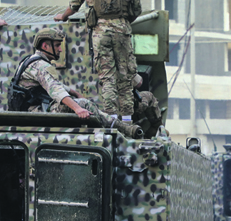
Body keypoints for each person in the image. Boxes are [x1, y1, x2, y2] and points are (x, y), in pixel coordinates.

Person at [54, 0, 142, 122]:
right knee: (125, 75)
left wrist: (62, 16)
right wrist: (122, 21)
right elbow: (136, 10)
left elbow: (74, 5)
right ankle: (127, 121)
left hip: (99, 35)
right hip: (122, 33)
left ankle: (111, 120)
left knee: (107, 76)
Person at [8, 28, 143, 138]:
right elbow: (56, 91)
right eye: (56, 45)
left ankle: (118, 128)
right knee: (84, 104)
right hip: (35, 113)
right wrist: (78, 108)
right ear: (45, 46)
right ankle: (122, 131)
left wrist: (74, 93)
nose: (60, 49)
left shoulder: (31, 61)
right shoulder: (41, 66)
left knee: (80, 101)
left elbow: (53, 84)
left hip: (31, 111)